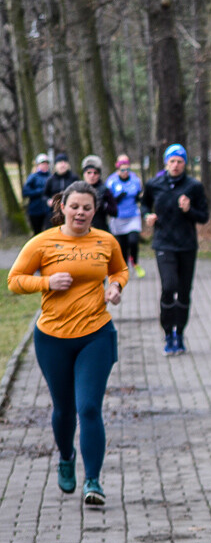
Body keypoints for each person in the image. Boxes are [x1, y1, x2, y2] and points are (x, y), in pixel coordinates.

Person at [7, 181, 128, 507]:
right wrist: (47, 281)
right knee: (64, 409)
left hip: (96, 334)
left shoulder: (106, 241)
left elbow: (119, 270)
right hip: (53, 338)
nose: (81, 213)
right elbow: (15, 281)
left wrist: (115, 287)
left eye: (87, 208)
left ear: (95, 210)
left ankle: (93, 481)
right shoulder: (43, 242)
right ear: (62, 206)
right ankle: (65, 455)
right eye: (75, 206)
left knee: (89, 407)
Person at [140, 144, 209, 356]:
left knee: (184, 292)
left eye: (180, 161)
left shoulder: (194, 186)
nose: (176, 165)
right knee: (169, 287)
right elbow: (144, 205)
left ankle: (180, 334)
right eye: (172, 161)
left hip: (187, 245)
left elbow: (204, 216)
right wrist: (147, 216)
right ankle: (168, 332)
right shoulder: (154, 184)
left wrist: (189, 210)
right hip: (163, 243)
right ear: (166, 163)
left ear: (185, 163)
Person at [106, 154, 145, 278]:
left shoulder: (135, 179)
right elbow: (108, 200)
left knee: (133, 240)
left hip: (133, 215)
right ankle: (124, 268)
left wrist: (141, 198)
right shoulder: (111, 181)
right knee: (121, 245)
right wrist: (117, 198)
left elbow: (140, 195)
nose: (125, 172)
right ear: (118, 169)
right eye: (122, 170)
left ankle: (136, 263)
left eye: (127, 169)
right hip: (118, 217)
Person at [80, 155, 118, 232]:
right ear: (84, 174)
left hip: (100, 229)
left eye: (95, 173)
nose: (92, 176)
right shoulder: (78, 190)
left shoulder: (104, 190)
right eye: (89, 173)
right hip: (82, 229)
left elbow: (115, 212)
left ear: (99, 175)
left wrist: (104, 206)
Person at [22, 153, 51, 234]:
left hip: (48, 211)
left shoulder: (51, 177)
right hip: (35, 210)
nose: (45, 165)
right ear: (38, 165)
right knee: (37, 233)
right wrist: (40, 191)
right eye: (43, 163)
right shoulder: (33, 177)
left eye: (46, 163)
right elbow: (25, 192)